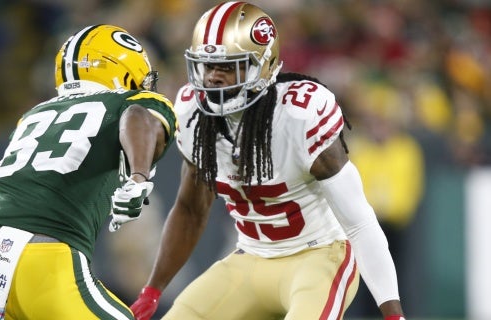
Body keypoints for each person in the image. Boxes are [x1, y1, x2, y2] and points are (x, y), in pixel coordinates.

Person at [130, 2, 406, 320]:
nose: (214, 78)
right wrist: (153, 290)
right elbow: (191, 210)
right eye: (207, 66)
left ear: (262, 65)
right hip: (250, 257)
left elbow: (359, 222)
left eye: (228, 66)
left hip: (318, 258)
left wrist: (392, 313)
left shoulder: (299, 115)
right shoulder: (193, 115)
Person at [0, 24, 177, 320]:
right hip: (48, 254)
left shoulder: (33, 115)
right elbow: (138, 116)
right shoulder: (125, 103)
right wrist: (138, 176)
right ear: (120, 69)